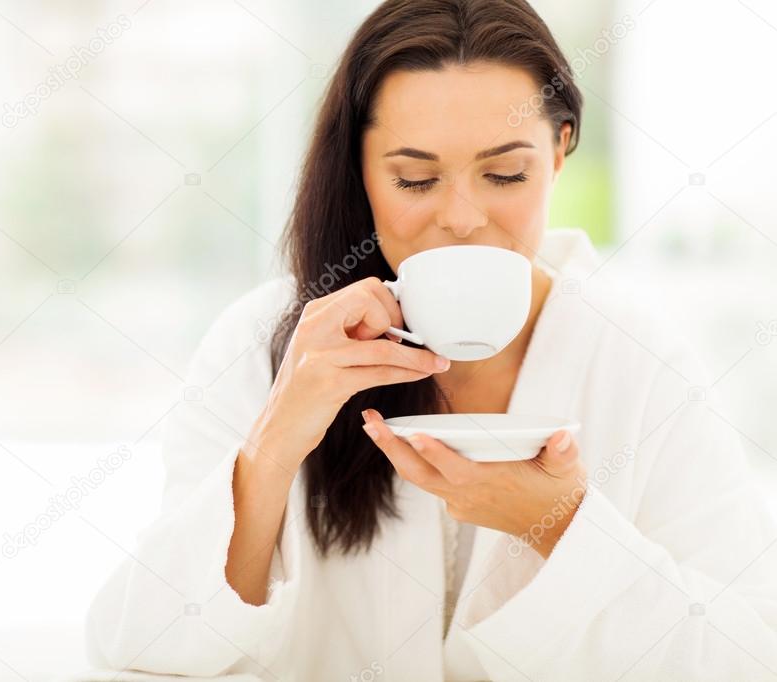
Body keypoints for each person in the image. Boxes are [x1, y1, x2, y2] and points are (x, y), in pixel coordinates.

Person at [86, 0, 777, 679]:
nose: (461, 217)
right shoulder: (261, 342)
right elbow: (145, 646)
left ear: (560, 149)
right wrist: (275, 440)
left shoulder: (639, 359)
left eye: (504, 173)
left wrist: (560, 527)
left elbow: (744, 655)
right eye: (414, 178)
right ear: (357, 167)